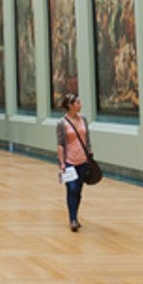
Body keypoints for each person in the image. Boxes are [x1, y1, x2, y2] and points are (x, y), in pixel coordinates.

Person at [57, 92, 92, 232]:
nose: (80, 105)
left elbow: (87, 138)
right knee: (72, 188)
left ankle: (75, 216)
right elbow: (60, 144)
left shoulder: (83, 119)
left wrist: (89, 151)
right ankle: (72, 219)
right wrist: (62, 163)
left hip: (83, 159)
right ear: (70, 106)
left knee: (78, 190)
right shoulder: (62, 123)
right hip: (69, 160)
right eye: (78, 103)